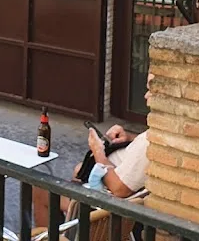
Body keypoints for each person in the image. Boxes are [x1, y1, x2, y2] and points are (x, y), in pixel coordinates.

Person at [33, 74, 155, 228]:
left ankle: (50, 236)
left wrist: (98, 151)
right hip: (101, 190)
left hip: (100, 204)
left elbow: (119, 189)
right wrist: (129, 137)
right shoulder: (158, 136)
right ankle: (67, 230)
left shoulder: (148, 141)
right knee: (77, 172)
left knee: (41, 189)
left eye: (151, 90)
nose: (145, 96)